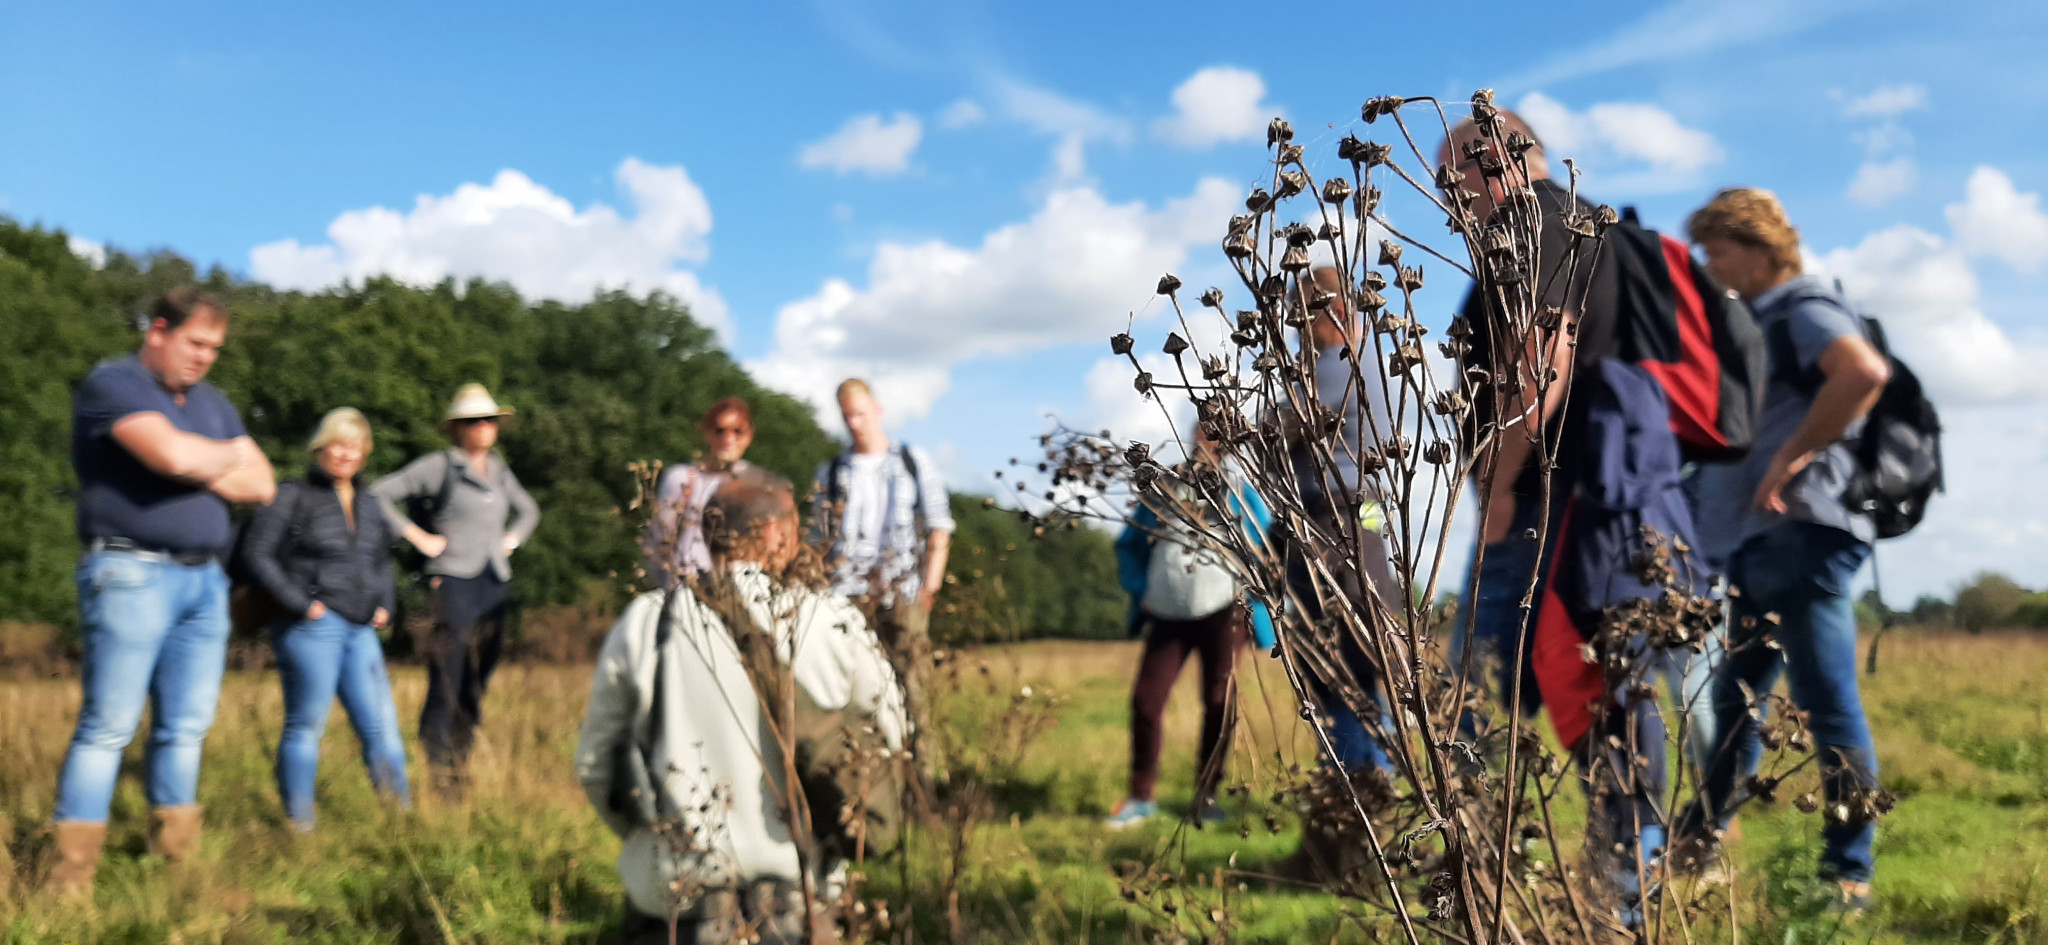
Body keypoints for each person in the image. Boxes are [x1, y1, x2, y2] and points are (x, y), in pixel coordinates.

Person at [1441, 112, 1705, 919]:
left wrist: (1501, 483)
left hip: (1548, 503)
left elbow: (1541, 358)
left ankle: (1482, 876)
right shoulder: (1585, 228)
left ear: (1502, 162)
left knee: (1472, 694)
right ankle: (1612, 891)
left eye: (1457, 175)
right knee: (1617, 689)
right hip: (1607, 500)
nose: (1448, 195)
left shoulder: (1537, 223)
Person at [1676, 188, 1892, 912]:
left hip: (1799, 534)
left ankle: (1848, 876)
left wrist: (1790, 457)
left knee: (1826, 702)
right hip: (1756, 540)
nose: (1710, 265)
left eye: (1719, 249)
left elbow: (1862, 371)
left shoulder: (1801, 304)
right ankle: (1700, 845)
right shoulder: (1756, 315)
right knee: (1739, 704)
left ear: (1762, 247)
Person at [577, 478, 907, 944]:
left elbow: (595, 765)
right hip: (801, 906)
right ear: (777, 535)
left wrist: (646, 841)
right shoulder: (831, 619)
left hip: (674, 905)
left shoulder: (647, 621)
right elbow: (891, 741)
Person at [46, 288, 276, 897]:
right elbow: (171, 456)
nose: (205, 358)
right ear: (157, 332)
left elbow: (264, 484)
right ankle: (70, 881)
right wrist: (224, 459)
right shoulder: (113, 384)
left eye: (215, 348)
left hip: (205, 580)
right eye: (194, 343)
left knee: (186, 727)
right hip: (131, 574)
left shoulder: (213, 403)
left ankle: (176, 866)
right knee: (109, 727)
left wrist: (211, 462)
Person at [240, 407, 410, 831]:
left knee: (381, 727)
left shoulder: (371, 503)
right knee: (307, 724)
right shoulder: (291, 495)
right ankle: (300, 825)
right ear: (321, 447)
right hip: (310, 626)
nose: (345, 454)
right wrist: (301, 604)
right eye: (337, 444)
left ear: (365, 453)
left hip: (360, 627)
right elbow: (256, 554)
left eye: (354, 446)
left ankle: (402, 822)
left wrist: (386, 603)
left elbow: (381, 562)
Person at [373, 383, 540, 797]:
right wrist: (419, 538)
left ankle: (459, 764)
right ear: (456, 428)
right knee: (448, 675)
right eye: (473, 421)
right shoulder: (439, 466)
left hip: (492, 581)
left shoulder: (499, 470)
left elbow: (530, 509)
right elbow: (378, 494)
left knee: (478, 677)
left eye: (489, 420)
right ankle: (438, 769)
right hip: (451, 580)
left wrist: (511, 540)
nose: (483, 427)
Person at [1107, 428, 1277, 828]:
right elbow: (1128, 545)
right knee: (1146, 702)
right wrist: (1141, 589)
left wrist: (1255, 593)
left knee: (1219, 701)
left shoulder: (1240, 491)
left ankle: (1207, 796)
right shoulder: (1164, 487)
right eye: (1204, 433)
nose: (1210, 443)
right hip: (1167, 611)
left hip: (1226, 612)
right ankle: (1141, 797)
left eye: (1218, 435)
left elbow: (1267, 543)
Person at [809, 378, 952, 756]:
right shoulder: (834, 471)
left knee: (912, 690)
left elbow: (939, 527)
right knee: (854, 690)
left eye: (859, 413)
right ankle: (869, 774)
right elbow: (817, 540)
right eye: (846, 416)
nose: (854, 423)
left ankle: (923, 783)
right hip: (845, 596)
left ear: (877, 411)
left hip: (904, 592)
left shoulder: (912, 462)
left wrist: (929, 590)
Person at [646, 397, 765, 586]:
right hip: (686, 586)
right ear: (707, 432)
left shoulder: (757, 484)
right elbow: (659, 541)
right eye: (719, 430)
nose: (728, 439)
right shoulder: (682, 479)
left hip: (739, 590)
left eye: (737, 431)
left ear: (749, 435)